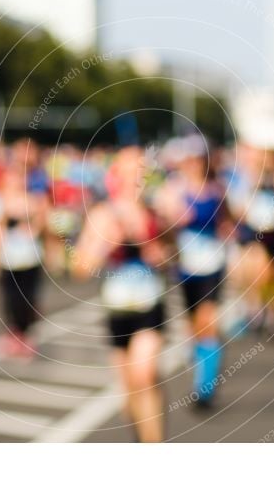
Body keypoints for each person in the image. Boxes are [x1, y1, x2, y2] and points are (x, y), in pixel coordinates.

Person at [73, 146, 168, 442]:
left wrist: (158, 251)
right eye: (129, 173)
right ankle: (140, 438)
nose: (135, 181)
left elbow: (172, 256)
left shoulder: (155, 212)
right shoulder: (102, 215)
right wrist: (105, 245)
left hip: (149, 305)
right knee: (130, 391)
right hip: (117, 310)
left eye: (141, 174)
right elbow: (79, 268)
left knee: (145, 375)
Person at [155, 135, 228, 407]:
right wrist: (171, 223)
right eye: (190, 159)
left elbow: (227, 221)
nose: (194, 164)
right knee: (192, 325)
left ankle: (205, 386)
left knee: (208, 323)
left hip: (213, 263)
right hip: (185, 266)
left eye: (199, 159)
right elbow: (160, 227)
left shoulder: (216, 189)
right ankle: (200, 363)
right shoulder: (173, 189)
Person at [0, 157, 48, 359]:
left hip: (29, 258)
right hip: (7, 259)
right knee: (10, 300)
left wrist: (33, 219)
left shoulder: (34, 200)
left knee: (28, 300)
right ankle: (12, 334)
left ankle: (26, 334)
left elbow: (44, 227)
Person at [225, 143, 274, 338]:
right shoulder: (246, 178)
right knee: (255, 272)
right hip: (254, 232)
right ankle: (256, 309)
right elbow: (238, 207)